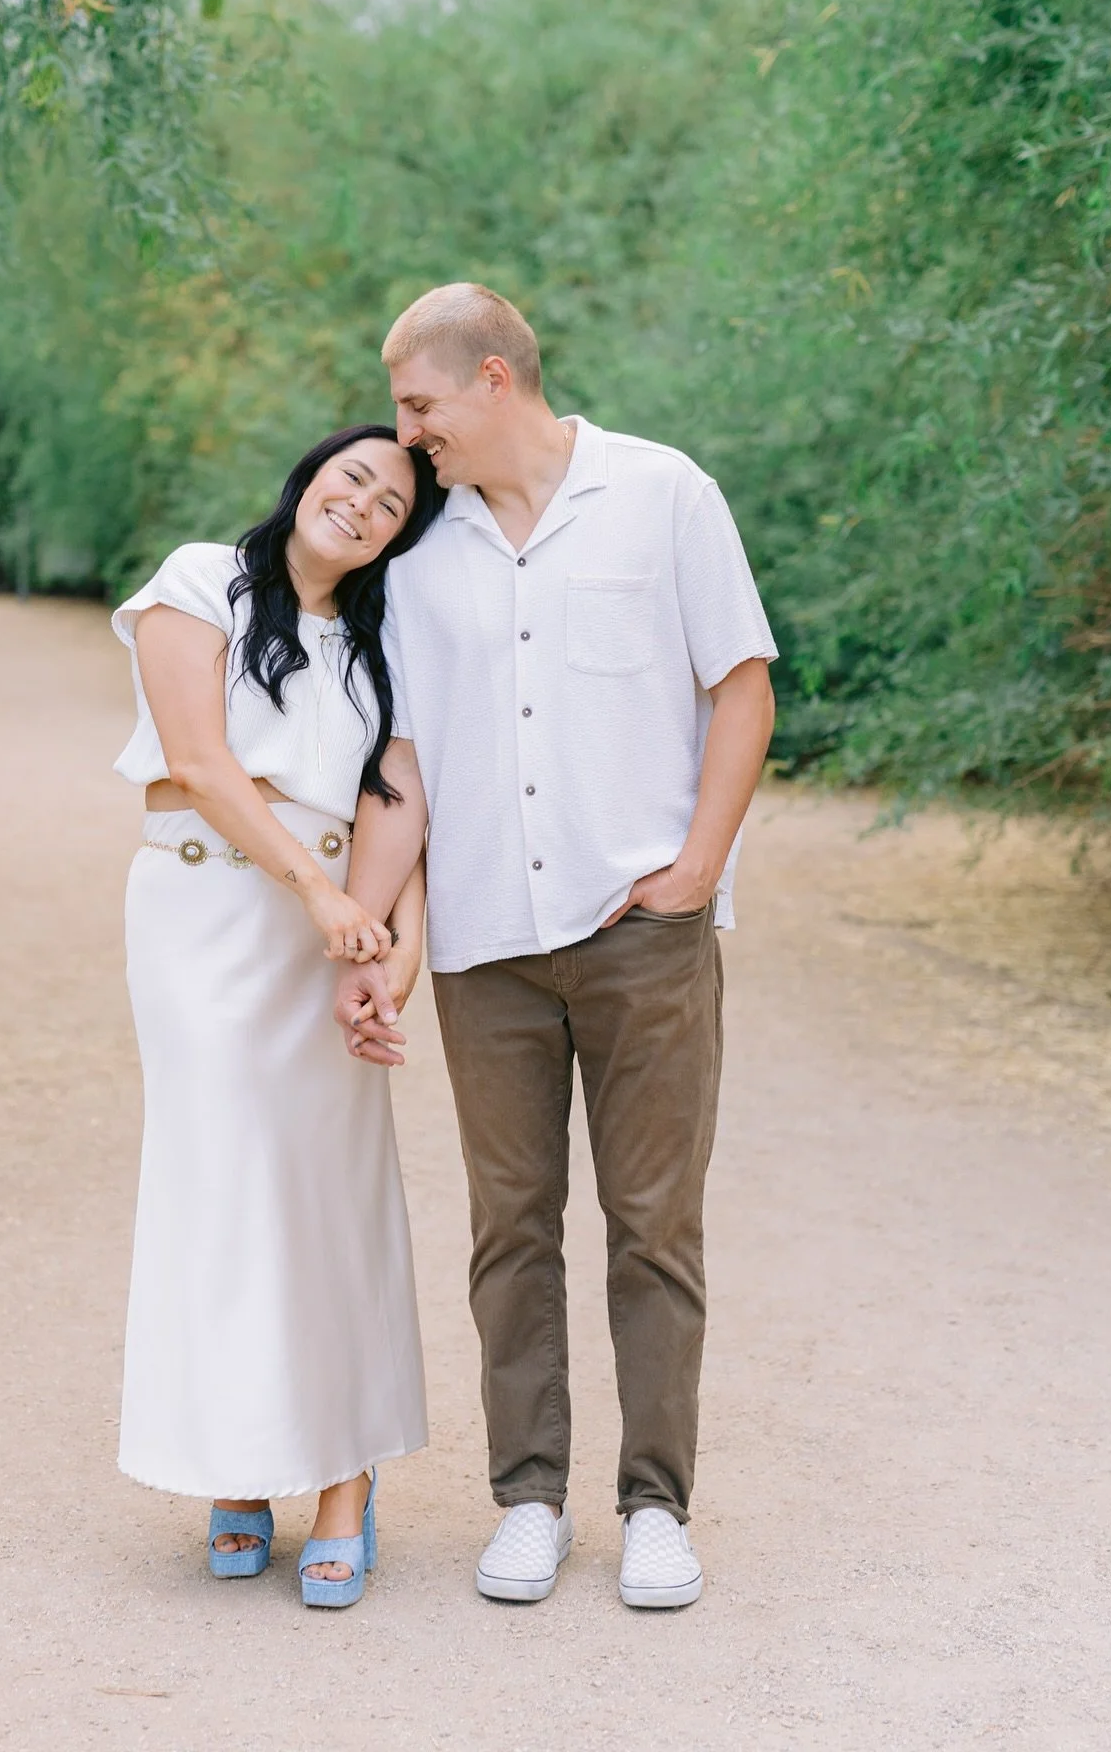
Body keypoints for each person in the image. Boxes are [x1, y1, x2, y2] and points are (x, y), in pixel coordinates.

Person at [334, 284, 777, 1610]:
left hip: (644, 937)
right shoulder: (420, 558)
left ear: (491, 378)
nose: (407, 437)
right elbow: (402, 764)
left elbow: (741, 683)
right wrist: (372, 938)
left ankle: (656, 1507)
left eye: (418, 405)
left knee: (653, 1228)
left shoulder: (664, 495)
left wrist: (697, 868)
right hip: (488, 948)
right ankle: (528, 1499)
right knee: (509, 1231)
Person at [111, 424, 441, 1610]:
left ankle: (344, 1484)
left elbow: (398, 796)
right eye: (353, 477)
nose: (362, 505)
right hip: (207, 917)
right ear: (310, 479)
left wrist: (391, 946)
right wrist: (316, 893)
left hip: (334, 934)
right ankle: (237, 1469)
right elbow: (198, 762)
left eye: (393, 506)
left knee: (329, 1190)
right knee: (223, 1189)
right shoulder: (203, 579)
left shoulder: (380, 640)